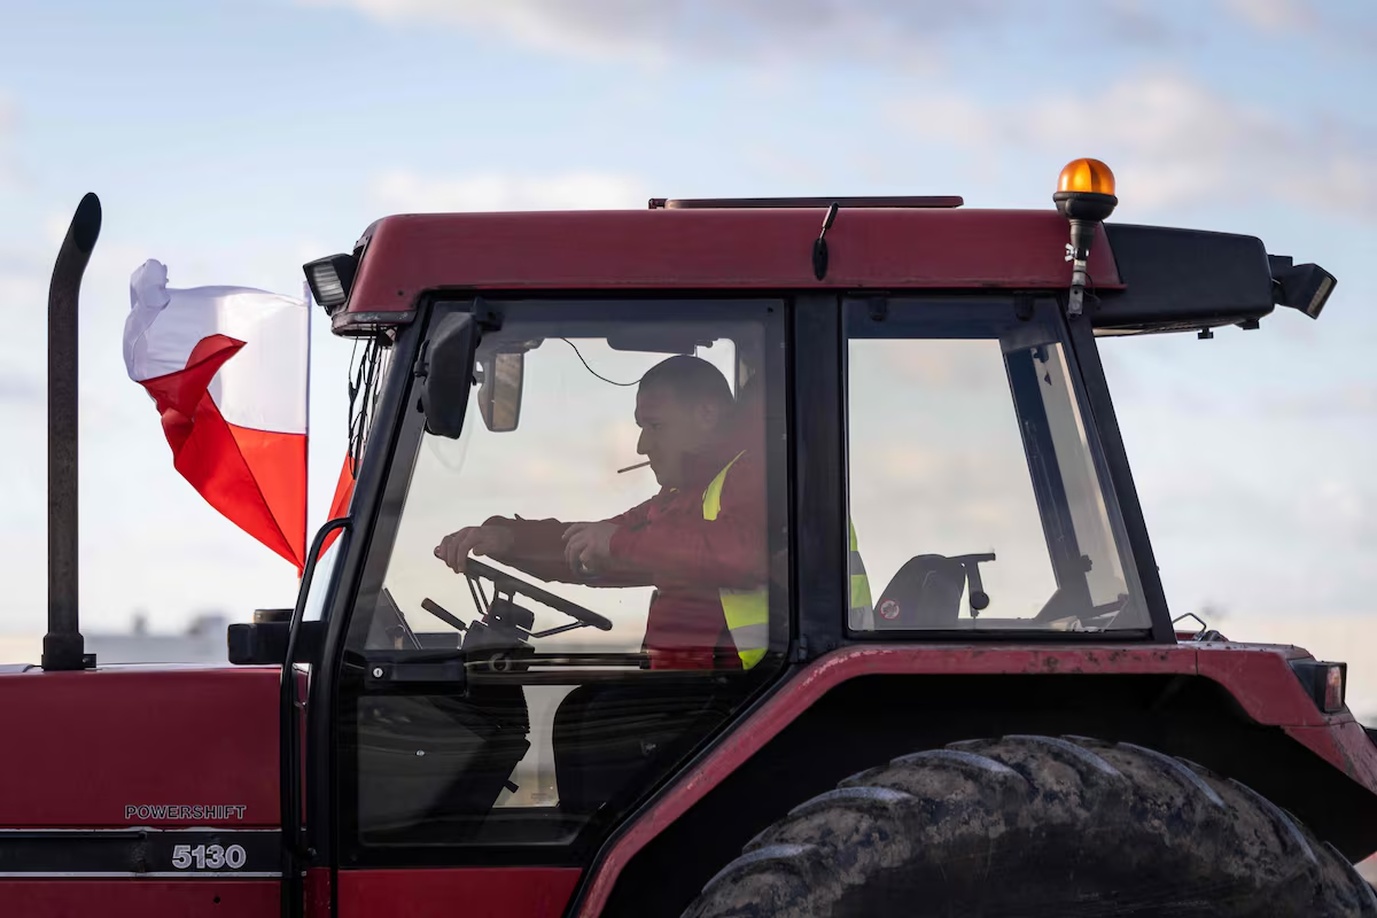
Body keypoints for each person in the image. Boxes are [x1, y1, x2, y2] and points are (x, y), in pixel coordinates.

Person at [434, 355, 771, 671]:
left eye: (655, 426)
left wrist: (619, 544)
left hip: (738, 694)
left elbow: (741, 556)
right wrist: (505, 538)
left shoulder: (752, 473)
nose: (642, 445)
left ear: (707, 415)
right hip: (688, 684)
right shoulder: (680, 498)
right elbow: (589, 543)